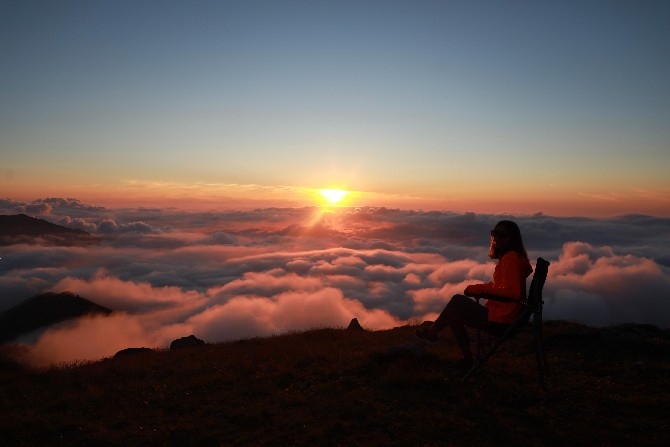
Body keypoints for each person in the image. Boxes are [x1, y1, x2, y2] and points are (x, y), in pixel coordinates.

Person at [415, 220, 533, 369]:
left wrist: (479, 290)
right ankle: (466, 359)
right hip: (506, 315)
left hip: (502, 319)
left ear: (512, 238)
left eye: (503, 234)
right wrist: (478, 288)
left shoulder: (511, 259)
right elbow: (501, 287)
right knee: (454, 312)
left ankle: (433, 333)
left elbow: (511, 293)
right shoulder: (511, 257)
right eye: (495, 233)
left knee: (457, 301)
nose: (497, 237)